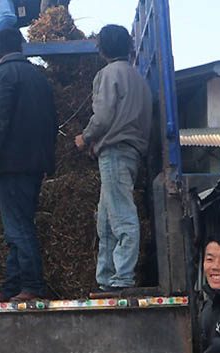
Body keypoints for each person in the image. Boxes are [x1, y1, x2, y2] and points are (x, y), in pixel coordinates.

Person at [0, 27, 57, 302]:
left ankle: (32, 287)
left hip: (13, 165)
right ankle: (12, 288)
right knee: (18, 226)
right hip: (35, 165)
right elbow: (51, 123)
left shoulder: (3, 75)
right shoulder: (38, 78)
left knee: (18, 228)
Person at [76, 25, 152, 295]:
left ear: (102, 49)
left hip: (115, 151)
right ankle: (106, 277)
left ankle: (122, 277)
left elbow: (104, 116)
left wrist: (85, 137)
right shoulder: (139, 79)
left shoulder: (108, 74)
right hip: (131, 151)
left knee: (121, 216)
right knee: (106, 219)